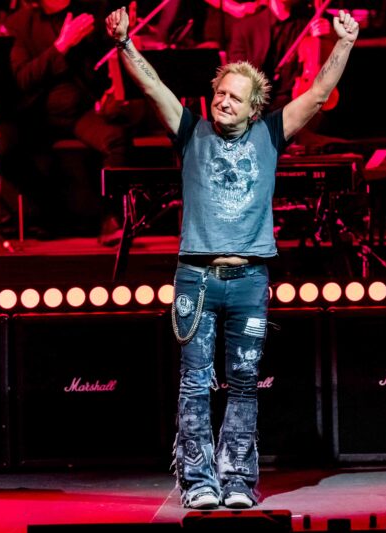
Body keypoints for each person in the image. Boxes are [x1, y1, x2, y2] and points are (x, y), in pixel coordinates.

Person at [105, 4, 359, 509]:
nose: (223, 102)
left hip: (249, 281)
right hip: (195, 279)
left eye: (234, 98)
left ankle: (239, 479)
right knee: (194, 383)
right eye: (220, 93)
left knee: (243, 382)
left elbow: (318, 94)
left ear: (253, 109)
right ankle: (198, 481)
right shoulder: (191, 131)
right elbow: (153, 86)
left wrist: (345, 42)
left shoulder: (270, 134)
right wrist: (125, 43)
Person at [5, 0, 130, 240]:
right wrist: (62, 45)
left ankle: (111, 220)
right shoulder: (20, 23)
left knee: (116, 139)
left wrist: (110, 90)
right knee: (6, 147)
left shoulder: (90, 13)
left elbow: (106, 63)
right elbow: (23, 79)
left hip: (81, 111)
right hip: (38, 114)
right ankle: (52, 216)